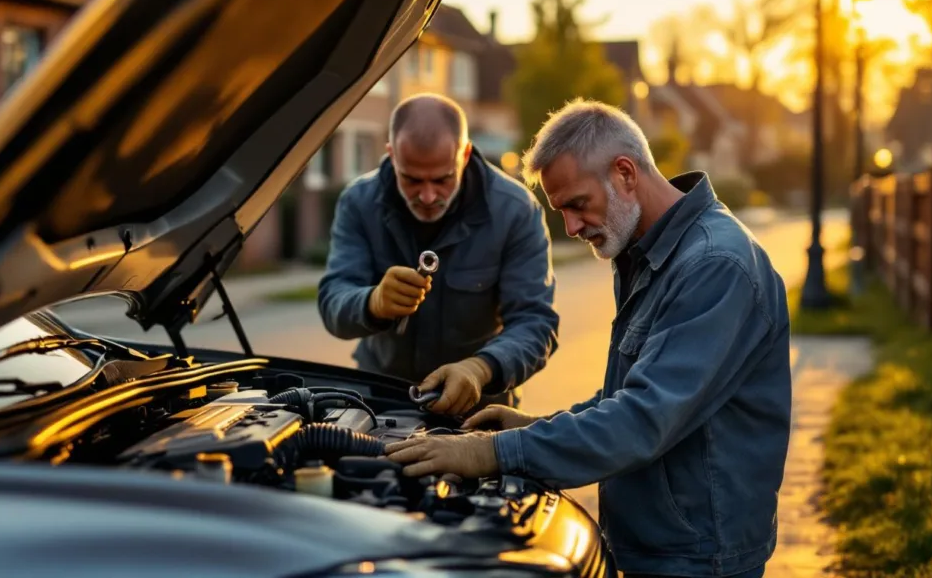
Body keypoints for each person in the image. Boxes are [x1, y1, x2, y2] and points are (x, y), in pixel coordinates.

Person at [385, 99, 792, 578]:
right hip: (660, 543)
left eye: (577, 205)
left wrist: (492, 453)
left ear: (624, 173)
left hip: (700, 558)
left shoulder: (714, 266)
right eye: (561, 211)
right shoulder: (652, 252)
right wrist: (535, 424)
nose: (572, 228)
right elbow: (630, 393)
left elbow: (643, 420)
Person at [317, 93, 560, 416]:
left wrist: (480, 369)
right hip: (379, 401)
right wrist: (372, 302)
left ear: (465, 153)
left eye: (443, 179)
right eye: (412, 179)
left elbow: (536, 323)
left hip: (478, 408)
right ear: (391, 154)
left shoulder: (514, 211)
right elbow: (334, 298)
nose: (428, 196)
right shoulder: (359, 203)